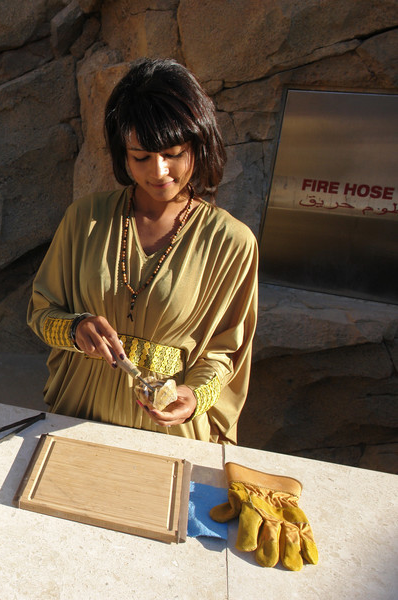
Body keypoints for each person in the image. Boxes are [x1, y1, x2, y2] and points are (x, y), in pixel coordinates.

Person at [27, 58, 258, 444]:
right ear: (122, 154)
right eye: (141, 157)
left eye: (173, 154)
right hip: (77, 418)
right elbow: (40, 312)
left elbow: (225, 354)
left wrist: (194, 396)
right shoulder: (84, 218)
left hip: (169, 432)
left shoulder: (231, 243)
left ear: (199, 145)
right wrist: (76, 328)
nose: (159, 171)